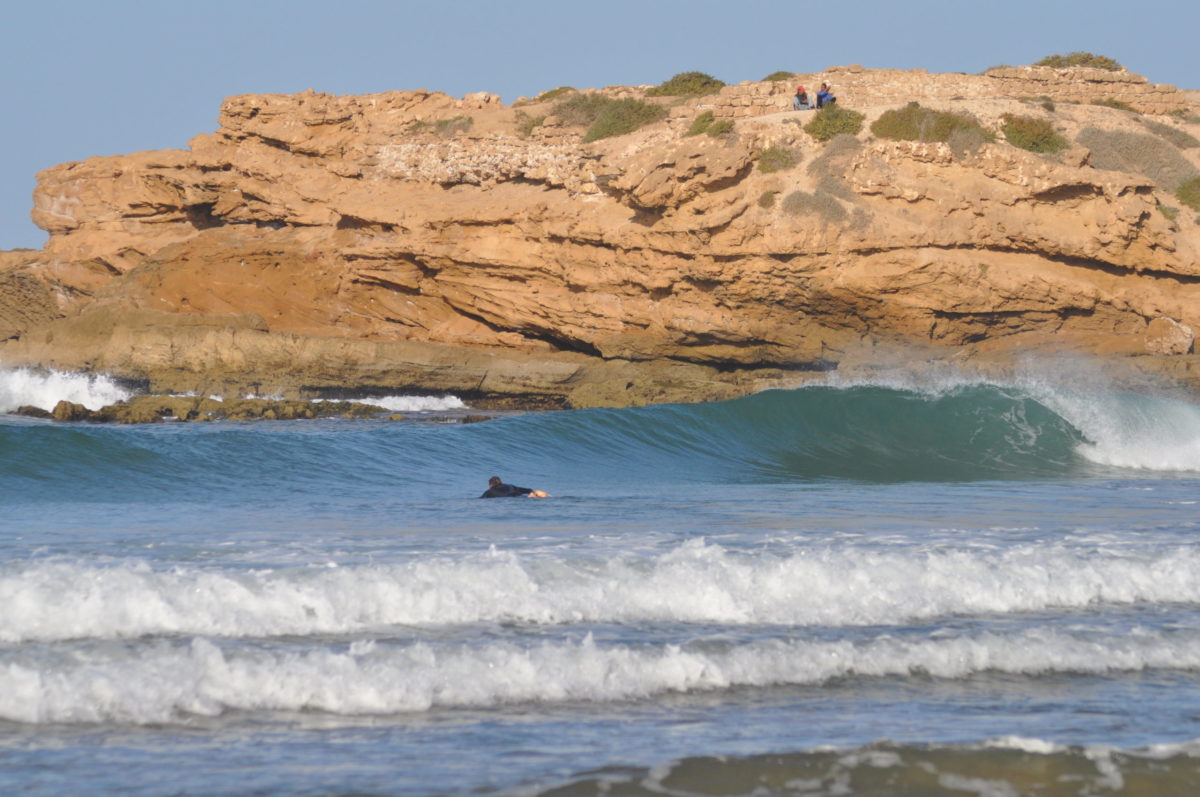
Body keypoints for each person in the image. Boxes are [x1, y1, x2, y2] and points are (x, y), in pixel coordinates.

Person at [479, 476, 548, 499]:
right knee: (526, 496)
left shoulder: (489, 491)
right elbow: (525, 490)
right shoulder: (510, 485)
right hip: (517, 494)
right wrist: (530, 491)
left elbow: (481, 498)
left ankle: (531, 496)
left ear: (490, 484)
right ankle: (534, 494)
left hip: (508, 497)